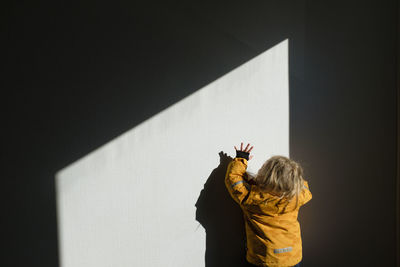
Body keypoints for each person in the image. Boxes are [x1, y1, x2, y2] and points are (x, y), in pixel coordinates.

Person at [225, 142, 312, 267]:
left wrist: (241, 159)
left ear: (265, 175)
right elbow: (303, 186)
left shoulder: (251, 198)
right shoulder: (297, 197)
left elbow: (233, 179)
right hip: (292, 258)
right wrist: (291, 175)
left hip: (263, 260)